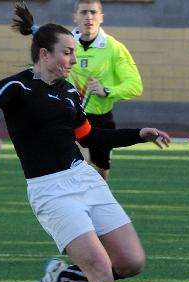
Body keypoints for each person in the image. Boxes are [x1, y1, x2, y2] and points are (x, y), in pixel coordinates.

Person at [0, 3, 170, 282]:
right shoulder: (17, 85)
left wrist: (139, 134)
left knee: (131, 262)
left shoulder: (69, 93)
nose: (73, 60)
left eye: (74, 53)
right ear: (44, 54)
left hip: (84, 178)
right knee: (101, 269)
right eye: (67, 53)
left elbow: (90, 138)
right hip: (50, 191)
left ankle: (62, 276)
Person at [68, 0, 143, 181]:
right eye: (84, 12)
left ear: (101, 17)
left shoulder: (114, 48)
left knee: (102, 171)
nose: (88, 17)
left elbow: (135, 86)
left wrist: (106, 90)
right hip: (72, 116)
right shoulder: (65, 44)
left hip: (101, 119)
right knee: (80, 163)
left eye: (93, 12)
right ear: (75, 17)